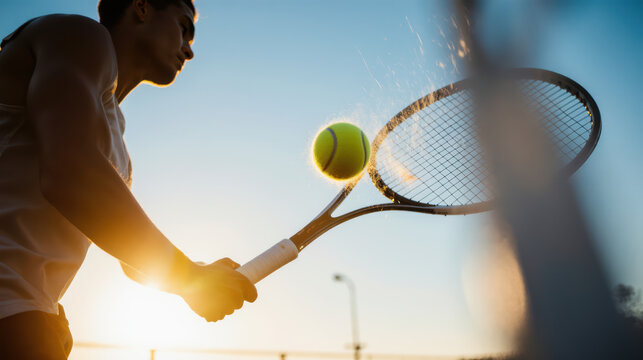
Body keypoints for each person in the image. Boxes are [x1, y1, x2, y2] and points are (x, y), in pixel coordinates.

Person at [0, 0, 257, 358]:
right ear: (141, 7)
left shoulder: (115, 144)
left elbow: (132, 263)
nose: (189, 49)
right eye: (184, 28)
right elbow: (69, 175)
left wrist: (195, 273)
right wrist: (189, 278)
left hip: (31, 315)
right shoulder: (79, 35)